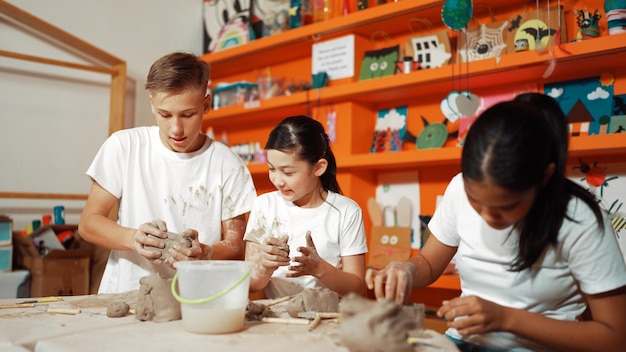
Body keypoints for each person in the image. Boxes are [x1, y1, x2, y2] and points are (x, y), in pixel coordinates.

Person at [365, 95, 626, 351]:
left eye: (505, 208)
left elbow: (615, 338)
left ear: (544, 177)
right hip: (462, 341)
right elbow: (429, 263)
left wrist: (505, 319)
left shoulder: (580, 219)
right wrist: (406, 270)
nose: (488, 217)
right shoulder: (458, 188)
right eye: (476, 203)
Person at [78, 52, 257, 294]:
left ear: (206, 104)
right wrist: (133, 238)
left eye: (187, 114)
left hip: (195, 298)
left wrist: (205, 252)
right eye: (165, 114)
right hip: (126, 293)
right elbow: (89, 223)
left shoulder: (227, 164)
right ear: (152, 103)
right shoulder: (125, 146)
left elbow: (236, 246)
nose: (176, 129)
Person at [244, 115, 368, 299]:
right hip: (279, 319)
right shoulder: (264, 205)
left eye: (288, 172)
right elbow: (252, 285)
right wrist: (265, 266)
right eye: (271, 169)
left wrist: (319, 268)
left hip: (328, 319)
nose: (278, 181)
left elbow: (357, 288)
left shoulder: (346, 211)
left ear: (318, 168)